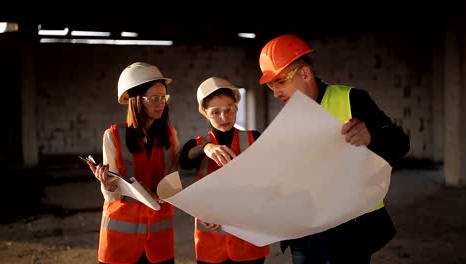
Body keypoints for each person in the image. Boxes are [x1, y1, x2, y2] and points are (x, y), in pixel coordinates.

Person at [257, 34, 410, 263]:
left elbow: (399, 142)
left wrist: (372, 136)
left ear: (305, 73)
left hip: (350, 231)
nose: (275, 92)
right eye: (271, 85)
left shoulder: (351, 100)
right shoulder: (287, 118)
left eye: (280, 82)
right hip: (304, 233)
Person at [89, 62, 180, 264]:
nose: (161, 104)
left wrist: (162, 192)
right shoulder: (112, 136)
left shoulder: (171, 135)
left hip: (159, 241)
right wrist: (107, 185)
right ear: (136, 100)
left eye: (163, 97)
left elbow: (176, 179)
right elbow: (112, 196)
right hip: (121, 241)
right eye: (154, 98)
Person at [179, 77, 270, 264]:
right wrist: (206, 148)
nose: (224, 117)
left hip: (248, 241)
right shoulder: (196, 146)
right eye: (215, 112)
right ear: (204, 112)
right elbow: (185, 161)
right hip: (211, 243)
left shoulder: (254, 138)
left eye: (229, 109)